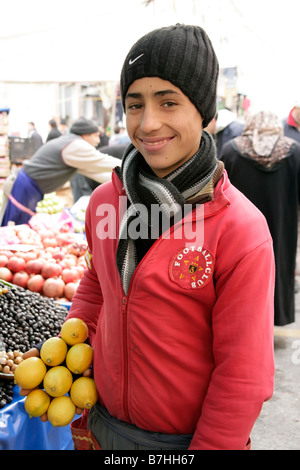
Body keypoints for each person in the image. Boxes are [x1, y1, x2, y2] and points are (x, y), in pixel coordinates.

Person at [20, 24, 275, 450]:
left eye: (169, 102)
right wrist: (69, 347)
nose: (148, 123)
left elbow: (243, 375)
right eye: (135, 104)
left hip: (185, 443)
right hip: (100, 426)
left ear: (204, 112)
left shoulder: (239, 229)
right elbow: (98, 283)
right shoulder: (107, 201)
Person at [220, 110, 300, 326]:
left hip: (239, 231)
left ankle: (243, 322)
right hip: (283, 227)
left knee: (241, 274)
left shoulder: (232, 150)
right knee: (279, 271)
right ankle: (276, 317)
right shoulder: (293, 151)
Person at [0, 117, 120, 226]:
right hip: (24, 187)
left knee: (20, 230)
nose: (98, 140)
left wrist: (124, 179)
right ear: (85, 136)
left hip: (27, 187)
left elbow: (94, 173)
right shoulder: (75, 145)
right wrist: (131, 166)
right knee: (14, 230)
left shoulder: (71, 146)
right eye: (96, 136)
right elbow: (103, 160)